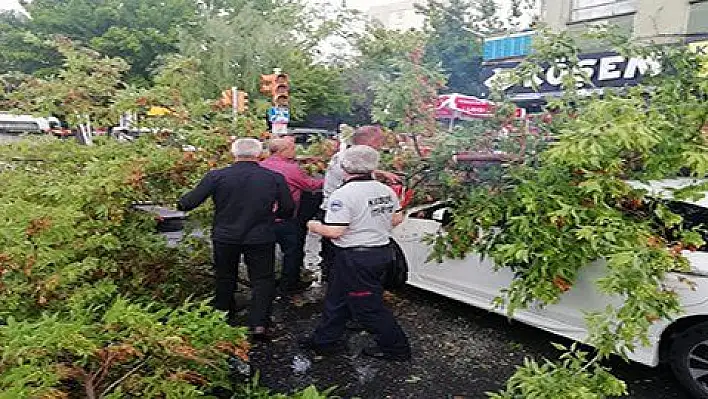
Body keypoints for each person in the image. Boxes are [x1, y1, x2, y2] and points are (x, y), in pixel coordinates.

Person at [177, 138, 295, 338]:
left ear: (234, 154)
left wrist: (180, 202)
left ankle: (223, 316)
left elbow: (188, 203)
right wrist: (274, 217)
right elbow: (288, 209)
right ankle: (258, 324)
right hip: (260, 236)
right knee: (262, 280)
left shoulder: (217, 176)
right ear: (259, 154)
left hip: (225, 236)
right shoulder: (274, 178)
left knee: (224, 276)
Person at [303, 145, 411, 361]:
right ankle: (324, 341)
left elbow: (335, 231)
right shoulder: (385, 190)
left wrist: (312, 225)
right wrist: (374, 225)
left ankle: (397, 349)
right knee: (337, 298)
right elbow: (397, 218)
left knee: (368, 308)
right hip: (380, 251)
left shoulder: (342, 195)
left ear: (344, 168)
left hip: (356, 258)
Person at [319, 125, 400, 282]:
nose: (381, 146)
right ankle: (336, 287)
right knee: (339, 257)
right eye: (379, 141)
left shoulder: (354, 158)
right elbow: (354, 177)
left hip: (350, 210)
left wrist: (381, 173)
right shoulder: (343, 161)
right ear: (368, 142)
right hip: (338, 213)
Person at [260, 138, 324, 295]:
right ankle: (288, 285)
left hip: (263, 217)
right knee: (292, 252)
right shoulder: (291, 169)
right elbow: (310, 185)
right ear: (284, 151)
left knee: (265, 252)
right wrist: (328, 180)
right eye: (293, 148)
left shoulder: (262, 165)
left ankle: (265, 283)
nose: (295, 150)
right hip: (285, 217)